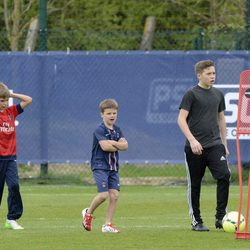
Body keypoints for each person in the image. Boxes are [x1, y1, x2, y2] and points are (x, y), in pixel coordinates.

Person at [177, 60, 230, 232]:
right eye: (208, 73)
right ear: (199, 75)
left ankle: (221, 217)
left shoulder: (218, 94)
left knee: (224, 175)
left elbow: (221, 119)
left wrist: (224, 144)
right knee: (195, 184)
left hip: (215, 145)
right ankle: (197, 221)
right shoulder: (191, 94)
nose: (212, 76)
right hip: (195, 148)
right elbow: (181, 119)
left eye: (214, 73)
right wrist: (192, 140)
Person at [82, 99, 128, 233]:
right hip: (100, 166)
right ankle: (88, 213)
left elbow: (125, 145)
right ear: (102, 114)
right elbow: (105, 147)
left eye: (114, 113)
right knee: (103, 195)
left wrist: (113, 143)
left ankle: (107, 225)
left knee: (114, 196)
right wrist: (116, 144)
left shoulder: (118, 130)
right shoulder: (99, 129)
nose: (112, 116)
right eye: (108, 113)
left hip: (113, 168)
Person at [0, 82, 32, 230]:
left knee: (14, 186)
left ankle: (11, 218)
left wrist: (10, 94)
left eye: (6, 99)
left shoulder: (11, 112)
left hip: (10, 158)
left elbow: (28, 100)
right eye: (2, 100)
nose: (5, 102)